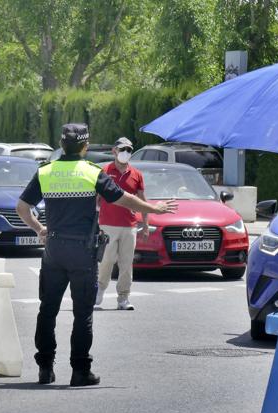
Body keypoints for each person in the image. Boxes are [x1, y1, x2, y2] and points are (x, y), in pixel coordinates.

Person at [16, 123, 177, 387]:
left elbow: (22, 206)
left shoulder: (45, 172)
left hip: (54, 249)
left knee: (47, 310)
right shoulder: (91, 172)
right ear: (85, 146)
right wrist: (153, 209)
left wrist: (39, 228)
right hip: (82, 250)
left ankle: (45, 368)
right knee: (82, 313)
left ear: (61, 143)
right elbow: (122, 198)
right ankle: (80, 371)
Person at [96, 137, 151, 310]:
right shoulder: (104, 171)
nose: (125, 153)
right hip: (107, 225)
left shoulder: (137, 174)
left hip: (129, 226)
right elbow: (96, 199)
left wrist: (146, 224)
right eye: (122, 149)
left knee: (126, 263)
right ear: (114, 151)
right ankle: (99, 291)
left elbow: (142, 200)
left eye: (129, 150)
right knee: (106, 260)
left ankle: (123, 298)